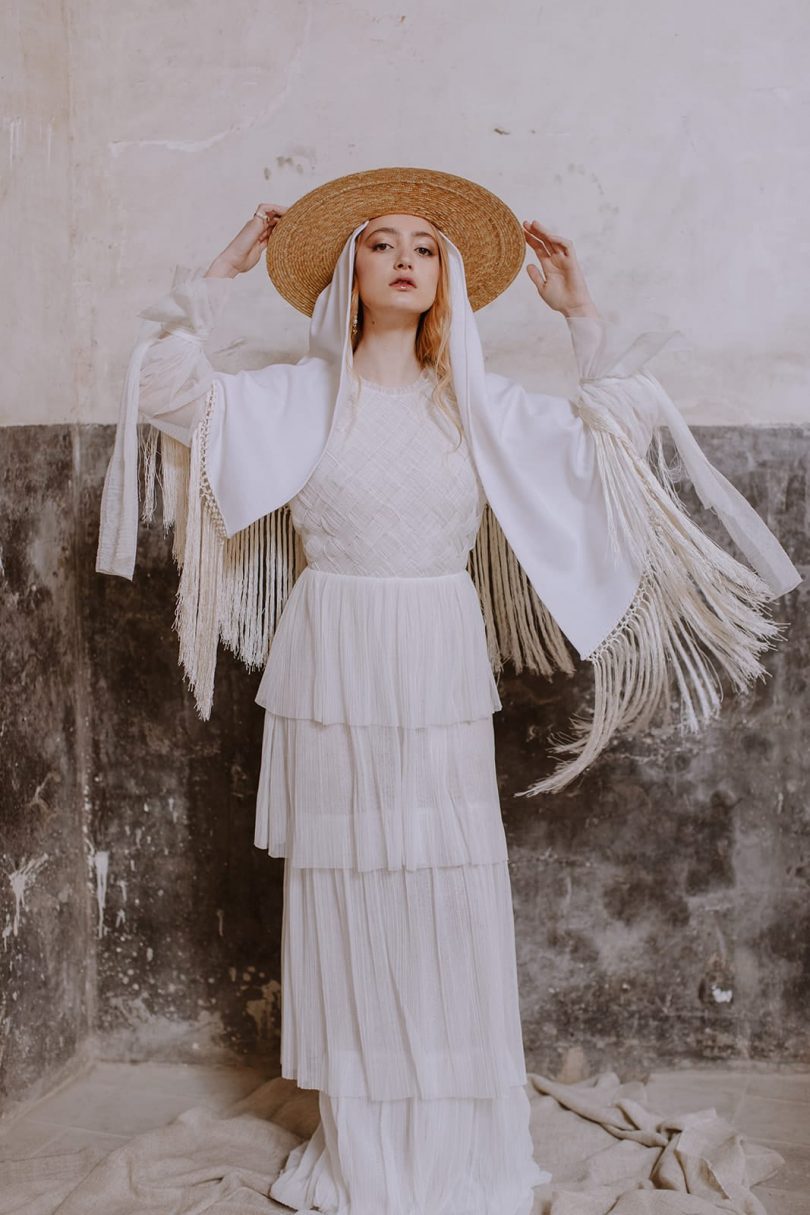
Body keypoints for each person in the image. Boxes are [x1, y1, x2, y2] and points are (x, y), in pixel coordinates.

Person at [95, 168, 800, 1214]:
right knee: (350, 891)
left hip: (435, 654)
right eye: (383, 244)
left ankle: (455, 1143)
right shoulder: (297, 396)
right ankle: (366, 1147)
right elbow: (165, 390)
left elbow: (606, 442)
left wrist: (580, 316)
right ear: (351, 271)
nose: (407, 260)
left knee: (440, 888)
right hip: (333, 657)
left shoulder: (478, 406)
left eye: (426, 247)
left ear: (447, 277)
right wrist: (223, 270)